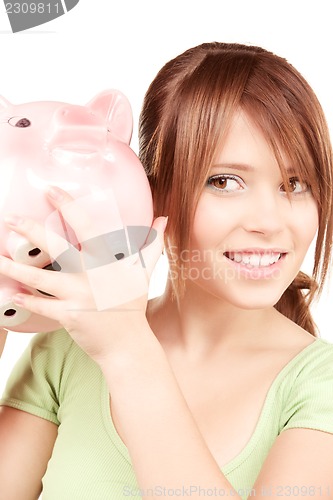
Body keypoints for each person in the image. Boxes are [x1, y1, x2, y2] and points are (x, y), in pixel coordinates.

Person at [0, 41, 333, 499]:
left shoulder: (320, 388)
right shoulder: (64, 352)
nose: (270, 222)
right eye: (225, 181)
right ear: (155, 193)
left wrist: (127, 350)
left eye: (296, 184)